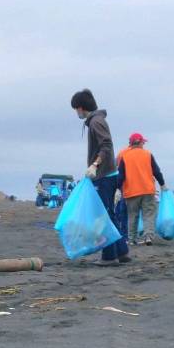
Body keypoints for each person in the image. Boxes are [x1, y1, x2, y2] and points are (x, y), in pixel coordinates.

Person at [70, 89, 129, 264]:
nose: (76, 113)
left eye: (76, 109)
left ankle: (109, 255)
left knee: (102, 216)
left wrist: (95, 165)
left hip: (104, 176)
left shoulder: (96, 122)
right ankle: (122, 251)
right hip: (107, 175)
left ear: (81, 108)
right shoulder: (97, 121)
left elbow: (106, 145)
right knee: (109, 214)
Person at [116, 132, 165, 246]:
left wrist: (117, 189)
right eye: (143, 142)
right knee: (148, 214)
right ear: (141, 142)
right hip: (147, 190)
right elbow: (156, 171)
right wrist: (162, 184)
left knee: (132, 215)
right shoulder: (148, 154)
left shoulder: (125, 157)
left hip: (131, 192)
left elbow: (121, 176)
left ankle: (131, 239)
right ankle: (148, 237)